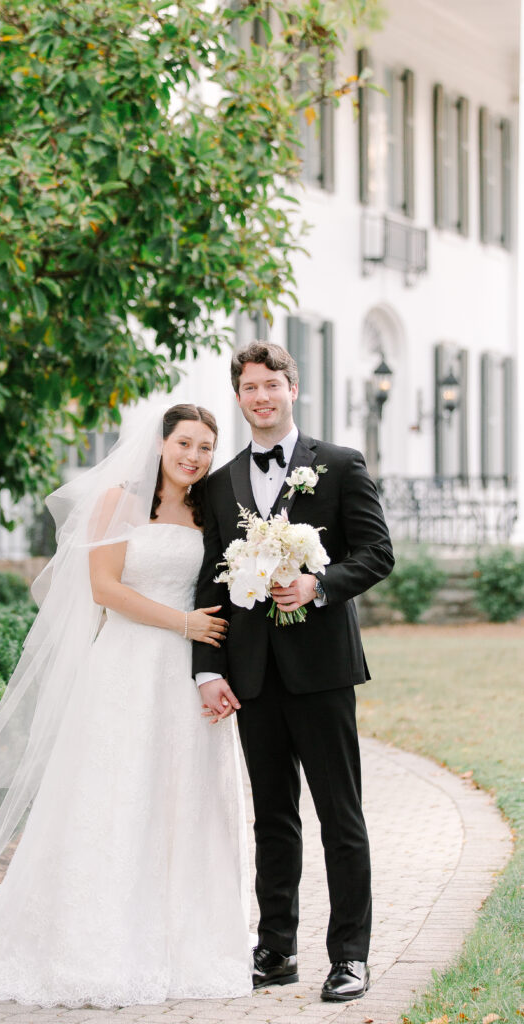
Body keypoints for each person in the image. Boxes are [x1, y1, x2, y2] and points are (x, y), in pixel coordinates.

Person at [0, 404, 252, 1008]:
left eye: (206, 448)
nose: (195, 457)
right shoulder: (118, 504)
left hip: (185, 679)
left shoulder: (213, 513)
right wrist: (183, 623)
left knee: (181, 796)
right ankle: (92, 935)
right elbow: (106, 588)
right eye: (185, 443)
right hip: (128, 666)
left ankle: (182, 934)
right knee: (115, 796)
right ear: (160, 443)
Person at [193, 342, 394, 1004]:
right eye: (249, 387)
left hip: (322, 670)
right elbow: (208, 584)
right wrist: (206, 671)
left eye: (271, 385)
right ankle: (275, 948)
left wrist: (318, 584)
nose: (260, 397)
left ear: (292, 389)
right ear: (239, 395)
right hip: (253, 676)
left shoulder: (337, 465)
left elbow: (375, 554)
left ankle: (350, 957)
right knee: (272, 817)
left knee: (340, 814)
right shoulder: (219, 485)